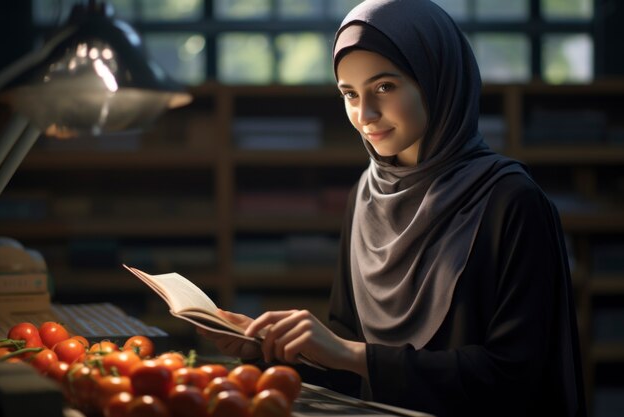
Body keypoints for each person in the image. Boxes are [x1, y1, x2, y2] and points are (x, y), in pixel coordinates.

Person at [199, 0, 586, 416]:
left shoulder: (512, 202)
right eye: (349, 93)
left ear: (438, 80)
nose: (364, 115)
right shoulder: (364, 195)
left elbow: (514, 379)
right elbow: (352, 374)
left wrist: (353, 355)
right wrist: (269, 350)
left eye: (385, 87)